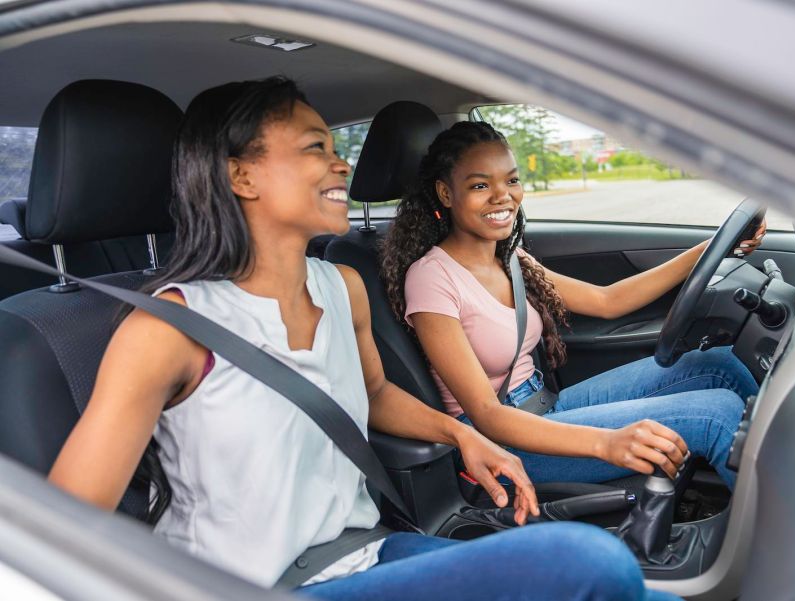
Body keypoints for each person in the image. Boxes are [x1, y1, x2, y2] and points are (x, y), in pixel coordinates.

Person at [47, 77, 681, 601]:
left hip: (364, 549)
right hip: (247, 584)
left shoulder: (341, 285)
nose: (340, 161)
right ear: (241, 177)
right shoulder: (167, 328)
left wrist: (461, 433)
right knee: (581, 564)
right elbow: (62, 534)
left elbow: (372, 392)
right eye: (313, 147)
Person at [382, 121, 762, 491]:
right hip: (501, 444)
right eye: (480, 185)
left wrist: (710, 249)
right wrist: (606, 443)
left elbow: (607, 301)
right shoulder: (431, 277)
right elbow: (488, 415)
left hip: (545, 405)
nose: (503, 196)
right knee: (716, 414)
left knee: (718, 364)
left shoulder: (510, 256)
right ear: (446, 194)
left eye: (511, 180)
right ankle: (784, 532)